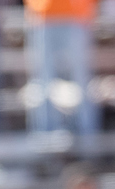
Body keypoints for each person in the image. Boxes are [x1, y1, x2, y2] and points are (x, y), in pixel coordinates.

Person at [23, 0, 98, 136]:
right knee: (42, 81)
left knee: (82, 80)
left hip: (76, 17)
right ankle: (44, 135)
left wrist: (87, 9)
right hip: (44, 17)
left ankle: (88, 136)